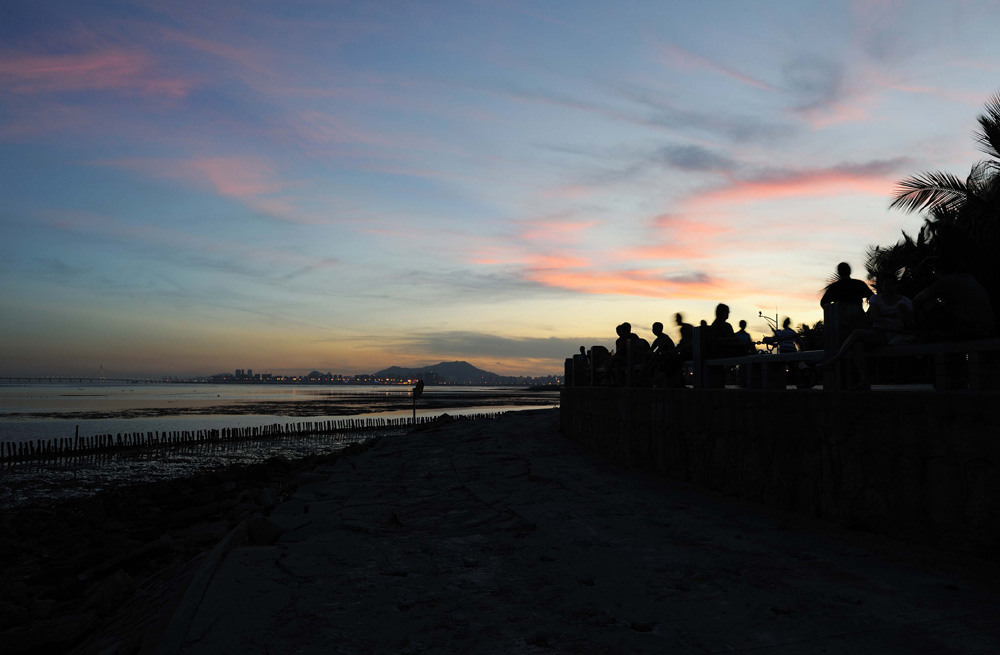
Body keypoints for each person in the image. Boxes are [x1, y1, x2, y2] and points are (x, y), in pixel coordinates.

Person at [819, 274, 915, 389]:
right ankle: (864, 381)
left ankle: (833, 361)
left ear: (896, 285)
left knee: (856, 333)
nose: (890, 287)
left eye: (892, 284)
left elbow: (909, 324)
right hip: (879, 334)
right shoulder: (876, 298)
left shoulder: (905, 301)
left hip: (896, 335)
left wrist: (903, 316)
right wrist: (894, 318)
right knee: (857, 345)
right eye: (887, 285)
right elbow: (874, 317)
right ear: (882, 286)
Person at [913, 255, 995, 337]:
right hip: (986, 326)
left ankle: (923, 331)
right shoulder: (968, 278)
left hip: (970, 328)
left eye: (934, 270)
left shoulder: (948, 280)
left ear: (940, 269)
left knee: (927, 304)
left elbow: (917, 300)